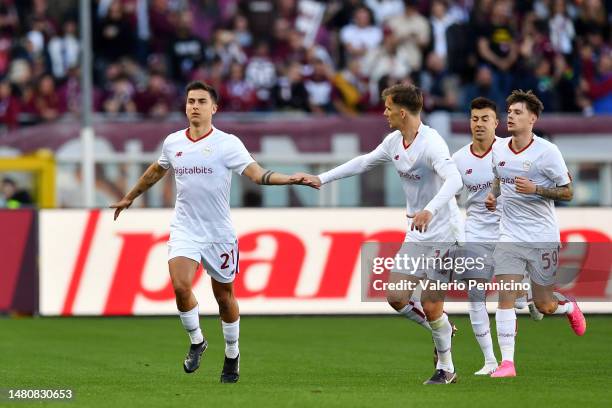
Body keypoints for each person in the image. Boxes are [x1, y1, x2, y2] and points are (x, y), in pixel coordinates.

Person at [110, 81, 307, 383]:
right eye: (190, 101)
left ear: (214, 108)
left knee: (224, 297)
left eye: (202, 101)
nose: (195, 106)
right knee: (180, 286)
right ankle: (197, 341)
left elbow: (257, 174)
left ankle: (232, 353)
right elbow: (157, 170)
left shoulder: (228, 143)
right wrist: (130, 196)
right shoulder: (173, 142)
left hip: (218, 233)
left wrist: (289, 179)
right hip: (185, 228)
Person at [296, 84, 463, 384]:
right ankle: (443, 329)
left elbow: (454, 180)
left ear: (402, 111)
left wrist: (431, 210)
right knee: (396, 296)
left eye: (387, 108)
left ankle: (446, 368)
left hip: (443, 232)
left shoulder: (432, 143)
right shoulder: (394, 141)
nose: (384, 113)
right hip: (417, 232)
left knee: (430, 304)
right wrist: (322, 178)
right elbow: (363, 161)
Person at [485, 90, 586, 378]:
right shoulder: (499, 148)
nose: (511, 117)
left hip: (541, 235)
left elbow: (568, 191)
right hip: (509, 234)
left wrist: (537, 189)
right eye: (509, 112)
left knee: (544, 304)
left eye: (518, 113)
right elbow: (498, 176)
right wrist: (493, 195)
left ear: (533, 118)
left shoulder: (547, 152)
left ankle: (566, 307)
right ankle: (508, 363)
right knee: (504, 295)